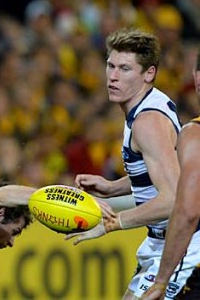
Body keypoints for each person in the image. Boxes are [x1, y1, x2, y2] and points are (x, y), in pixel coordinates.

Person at [66, 28, 200, 300]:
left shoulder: (146, 122)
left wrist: (114, 222)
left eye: (125, 69)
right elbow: (168, 169)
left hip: (182, 245)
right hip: (162, 241)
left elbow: (174, 198)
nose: (113, 76)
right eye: (110, 66)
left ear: (148, 74)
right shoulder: (150, 105)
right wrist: (113, 187)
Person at [142, 50, 200, 300]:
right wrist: (115, 188)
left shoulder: (195, 135)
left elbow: (187, 211)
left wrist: (161, 279)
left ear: (197, 78)